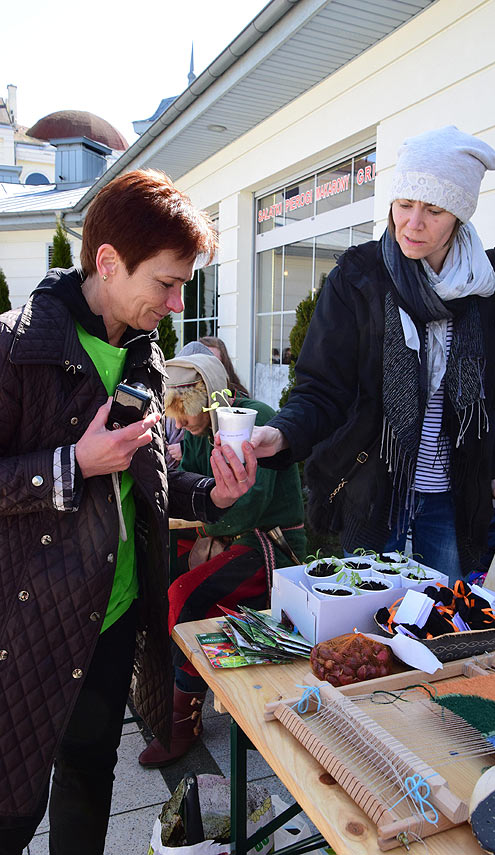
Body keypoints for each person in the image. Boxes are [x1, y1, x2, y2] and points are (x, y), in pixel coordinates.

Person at [0, 169, 257, 855]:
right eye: (167, 283)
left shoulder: (145, 360)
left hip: (113, 616)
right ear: (108, 262)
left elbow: (153, 479)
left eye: (183, 285)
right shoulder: (13, 349)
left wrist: (213, 495)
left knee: (88, 775)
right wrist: (71, 464)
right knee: (11, 804)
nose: (176, 303)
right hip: (25, 625)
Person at [248, 126, 495, 584]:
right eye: (404, 204)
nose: (413, 223)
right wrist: (281, 434)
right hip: (371, 491)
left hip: (454, 497)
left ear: (460, 215)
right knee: (365, 631)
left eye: (434, 209)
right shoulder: (359, 277)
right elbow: (322, 389)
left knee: (439, 628)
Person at [138, 342, 306, 767]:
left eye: (183, 410)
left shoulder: (255, 421)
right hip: (230, 538)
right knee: (157, 567)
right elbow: (197, 490)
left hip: (270, 547)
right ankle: (163, 681)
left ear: (207, 396)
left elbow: (243, 510)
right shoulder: (201, 430)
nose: (179, 421)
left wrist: (205, 517)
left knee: (186, 594)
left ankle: (183, 719)